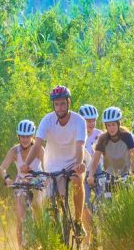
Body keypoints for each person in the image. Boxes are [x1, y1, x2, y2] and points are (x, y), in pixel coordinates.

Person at [21, 86, 87, 238]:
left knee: (78, 180)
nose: (60, 107)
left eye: (62, 103)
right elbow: (37, 144)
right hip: (53, 163)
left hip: (73, 161)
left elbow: (80, 145)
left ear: (68, 102)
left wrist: (79, 164)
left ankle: (77, 222)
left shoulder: (79, 121)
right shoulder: (47, 120)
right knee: (54, 199)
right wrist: (26, 164)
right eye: (56, 104)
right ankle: (56, 230)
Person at [0, 119, 45, 250]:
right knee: (20, 218)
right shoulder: (14, 151)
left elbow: (46, 166)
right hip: (21, 183)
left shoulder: (39, 149)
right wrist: (7, 179)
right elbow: (2, 168)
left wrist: (45, 178)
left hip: (37, 182)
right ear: (18, 136)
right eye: (22, 136)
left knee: (38, 209)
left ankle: (42, 242)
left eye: (28, 136)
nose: (25, 139)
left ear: (33, 136)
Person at [87, 107, 134, 188]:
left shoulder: (127, 136)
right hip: (109, 175)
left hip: (125, 174)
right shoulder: (102, 138)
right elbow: (95, 160)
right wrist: (90, 176)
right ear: (106, 126)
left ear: (118, 124)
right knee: (107, 198)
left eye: (113, 124)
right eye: (109, 125)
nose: (111, 128)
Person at [78, 104, 101, 239]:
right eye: (88, 120)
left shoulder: (101, 135)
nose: (91, 123)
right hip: (84, 174)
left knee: (104, 200)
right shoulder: (77, 135)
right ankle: (87, 238)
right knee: (85, 204)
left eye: (93, 120)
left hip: (99, 171)